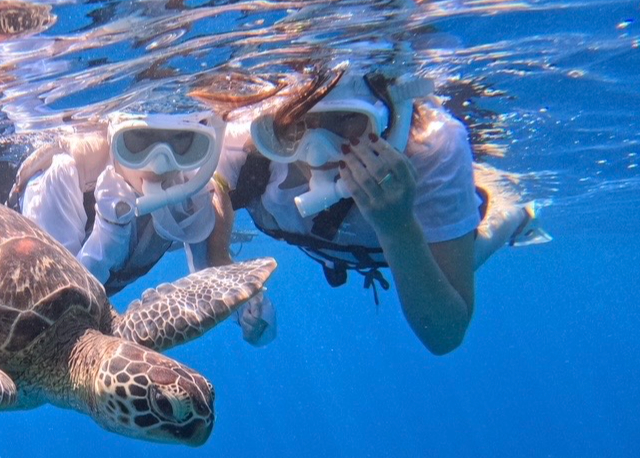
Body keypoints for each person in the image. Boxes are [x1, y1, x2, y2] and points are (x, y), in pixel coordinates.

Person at [205, 63, 547, 355]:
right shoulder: (242, 145)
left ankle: (515, 216)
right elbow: (212, 254)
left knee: (462, 258)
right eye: (299, 124)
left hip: (402, 245)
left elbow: (445, 335)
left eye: (346, 120)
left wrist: (398, 227)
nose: (318, 149)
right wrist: (244, 303)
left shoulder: (430, 149)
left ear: (386, 117)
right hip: (333, 247)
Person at [5, 107, 238, 295]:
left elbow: (210, 278)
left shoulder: (189, 183)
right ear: (114, 134)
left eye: (180, 140)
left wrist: (244, 307)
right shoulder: (64, 175)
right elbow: (53, 302)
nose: (159, 165)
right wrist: (108, 235)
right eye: (139, 138)